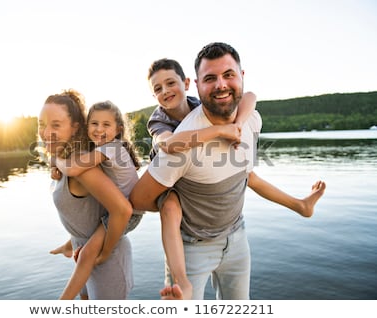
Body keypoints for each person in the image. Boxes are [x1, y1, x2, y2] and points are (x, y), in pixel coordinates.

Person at [130, 42, 325, 300]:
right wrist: (179, 201)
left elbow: (251, 101)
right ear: (198, 85)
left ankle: (301, 205)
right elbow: (143, 192)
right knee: (171, 208)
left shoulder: (251, 118)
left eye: (229, 75)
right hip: (191, 245)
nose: (221, 85)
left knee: (246, 175)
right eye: (210, 78)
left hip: (236, 235)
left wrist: (238, 125)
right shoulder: (174, 138)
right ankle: (182, 279)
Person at [38, 89, 134, 299]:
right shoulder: (67, 159)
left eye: (55, 125)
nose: (46, 133)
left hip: (106, 260)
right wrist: (72, 242)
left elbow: (123, 209)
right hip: (83, 252)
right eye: (42, 124)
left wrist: (105, 251)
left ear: (75, 128)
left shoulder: (82, 166)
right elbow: (85, 212)